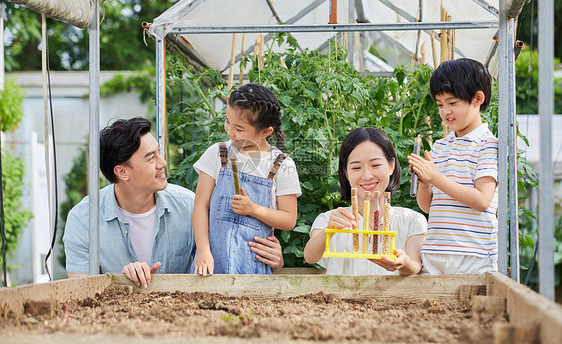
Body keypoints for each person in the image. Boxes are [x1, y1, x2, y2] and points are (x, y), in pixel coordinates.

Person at [63, 116, 284, 288]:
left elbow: (227, 256)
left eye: (159, 153)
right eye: (151, 158)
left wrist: (273, 261)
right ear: (122, 172)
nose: (163, 163)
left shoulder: (189, 207)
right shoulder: (83, 220)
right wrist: (121, 281)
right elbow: (80, 293)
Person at [192, 83, 301, 275]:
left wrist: (253, 209)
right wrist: (203, 250)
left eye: (239, 129)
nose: (230, 131)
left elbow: (289, 219)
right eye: (227, 121)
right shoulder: (217, 154)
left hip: (255, 267)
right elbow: (201, 206)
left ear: (266, 131)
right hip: (211, 264)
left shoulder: (282, 165)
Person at [407, 58, 498, 275]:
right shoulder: (440, 146)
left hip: (473, 257)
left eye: (452, 103)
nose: (445, 111)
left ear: (478, 98)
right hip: (434, 254)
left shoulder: (488, 144)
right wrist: (424, 183)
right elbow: (427, 206)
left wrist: (435, 177)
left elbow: (482, 201)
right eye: (440, 104)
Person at [304, 127, 427, 275]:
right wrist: (329, 230)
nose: (367, 176)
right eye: (356, 167)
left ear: (391, 166)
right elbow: (310, 256)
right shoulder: (329, 219)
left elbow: (415, 266)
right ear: (346, 173)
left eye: (375, 165)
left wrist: (403, 263)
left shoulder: (411, 220)